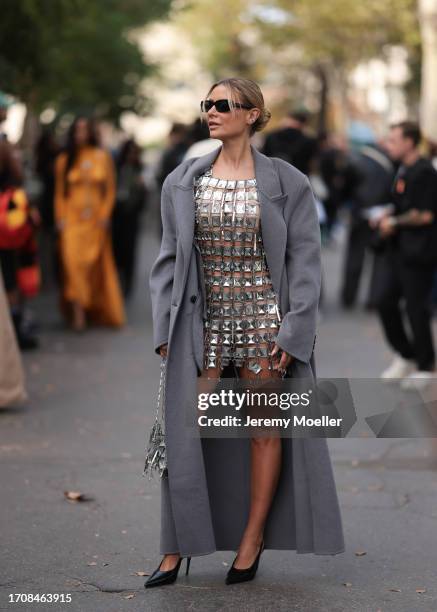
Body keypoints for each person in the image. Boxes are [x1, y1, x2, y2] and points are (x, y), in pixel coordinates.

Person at [146, 77, 344, 588]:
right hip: (201, 322)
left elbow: (306, 263)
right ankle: (176, 545)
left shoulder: (287, 182)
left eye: (222, 104)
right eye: (206, 104)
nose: (210, 112)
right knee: (185, 431)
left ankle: (251, 541)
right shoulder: (182, 180)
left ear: (253, 114)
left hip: (264, 324)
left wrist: (294, 332)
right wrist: (162, 327)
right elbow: (167, 261)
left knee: (263, 432)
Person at [373, 121, 437, 388]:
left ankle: (426, 365)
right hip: (397, 251)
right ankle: (406, 353)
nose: (390, 145)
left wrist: (394, 223)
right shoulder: (403, 170)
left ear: (410, 142)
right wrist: (388, 214)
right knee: (383, 301)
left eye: (395, 140)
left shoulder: (425, 172)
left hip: (419, 253)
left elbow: (425, 215)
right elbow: (402, 205)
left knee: (416, 309)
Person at [54, 116, 125, 331]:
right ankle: (78, 314)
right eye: (77, 130)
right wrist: (61, 219)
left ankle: (90, 309)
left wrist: (105, 215)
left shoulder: (102, 157)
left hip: (95, 221)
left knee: (92, 267)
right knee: (73, 265)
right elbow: (59, 194)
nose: (80, 135)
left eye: (84, 130)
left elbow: (110, 190)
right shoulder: (65, 160)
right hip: (72, 222)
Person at [112, 138, 147, 297]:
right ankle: (116, 283)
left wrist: (142, 188)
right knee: (117, 250)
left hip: (131, 216)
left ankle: (127, 285)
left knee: (129, 251)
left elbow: (144, 198)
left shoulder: (140, 170)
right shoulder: (117, 168)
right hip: (117, 216)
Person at [261, 109, 317, 176]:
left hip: (273, 176)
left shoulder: (272, 136)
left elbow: (263, 156)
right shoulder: (309, 141)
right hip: (298, 178)